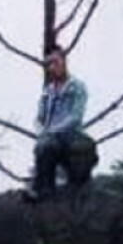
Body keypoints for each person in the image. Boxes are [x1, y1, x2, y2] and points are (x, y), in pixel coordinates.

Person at [29, 46, 92, 201]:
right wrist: (41, 131)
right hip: (50, 138)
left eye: (55, 62)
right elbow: (39, 117)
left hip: (71, 135)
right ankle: (43, 189)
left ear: (64, 62)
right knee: (43, 148)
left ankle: (46, 188)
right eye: (48, 64)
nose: (52, 67)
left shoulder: (77, 86)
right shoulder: (48, 91)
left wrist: (53, 131)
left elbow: (75, 117)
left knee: (51, 147)